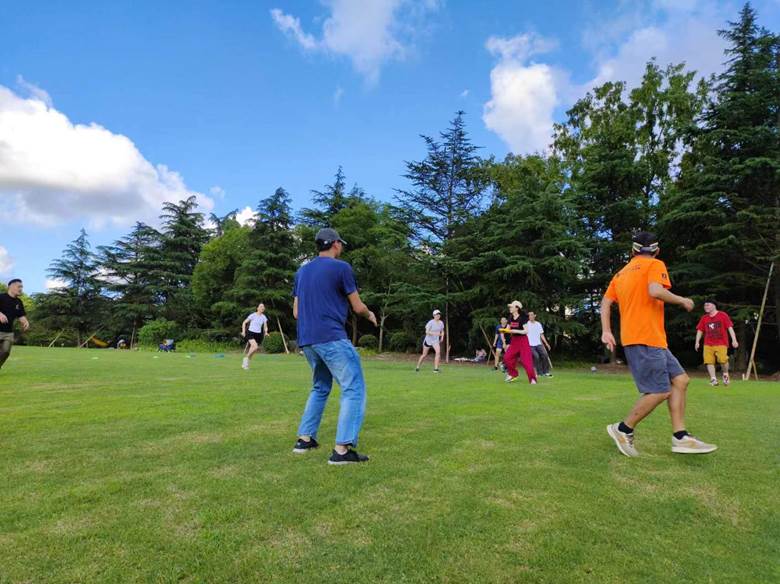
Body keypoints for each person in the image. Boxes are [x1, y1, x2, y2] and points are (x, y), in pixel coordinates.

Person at [601, 232, 717, 457]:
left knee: (681, 380)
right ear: (656, 250)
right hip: (644, 338)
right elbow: (655, 290)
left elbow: (606, 303)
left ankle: (681, 437)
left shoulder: (620, 273)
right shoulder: (655, 264)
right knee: (659, 390)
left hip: (651, 339)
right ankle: (623, 429)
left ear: (633, 251)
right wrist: (683, 300)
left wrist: (606, 330)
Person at [291, 228, 377, 465]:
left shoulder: (301, 272)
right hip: (331, 337)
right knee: (353, 387)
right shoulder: (341, 268)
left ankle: (305, 439)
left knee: (320, 387)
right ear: (336, 244)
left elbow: (296, 312)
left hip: (307, 340)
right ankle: (342, 450)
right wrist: (369, 314)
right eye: (341, 244)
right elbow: (358, 307)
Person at [695, 300, 738, 387]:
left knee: (723, 360)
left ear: (714, 306)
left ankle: (725, 374)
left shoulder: (723, 315)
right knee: (708, 361)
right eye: (705, 306)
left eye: (708, 305)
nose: (706, 307)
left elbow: (730, 328)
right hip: (708, 343)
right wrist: (697, 342)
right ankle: (713, 379)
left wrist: (734, 340)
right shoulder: (704, 318)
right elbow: (700, 330)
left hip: (721, 343)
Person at [502, 300, 537, 384]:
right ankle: (513, 374)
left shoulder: (523, 318)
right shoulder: (510, 317)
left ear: (517, 308)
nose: (510, 308)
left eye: (511, 307)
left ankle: (532, 379)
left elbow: (526, 331)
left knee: (526, 361)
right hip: (514, 341)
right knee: (507, 358)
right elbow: (508, 328)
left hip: (523, 341)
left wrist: (514, 331)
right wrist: (504, 330)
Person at [0, 279, 30, 372]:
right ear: (11, 286)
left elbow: (21, 316)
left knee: (5, 352)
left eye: (22, 287)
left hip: (8, 332)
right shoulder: (1, 297)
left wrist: (25, 322)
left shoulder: (18, 302)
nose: (21, 289)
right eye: (19, 286)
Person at [241, 303, 270, 370]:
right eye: (261, 306)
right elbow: (244, 322)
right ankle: (245, 359)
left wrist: (266, 332)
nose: (263, 308)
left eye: (263, 306)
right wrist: (243, 331)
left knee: (253, 349)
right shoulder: (253, 315)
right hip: (250, 332)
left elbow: (265, 326)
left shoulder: (264, 317)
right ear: (257, 308)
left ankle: (246, 364)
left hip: (258, 334)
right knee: (255, 347)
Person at [527, 311, 552, 377]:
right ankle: (539, 373)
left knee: (545, 355)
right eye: (529, 315)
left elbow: (541, 335)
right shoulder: (526, 324)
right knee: (536, 356)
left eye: (532, 315)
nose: (530, 316)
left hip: (538, 344)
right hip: (530, 345)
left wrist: (546, 344)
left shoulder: (538, 324)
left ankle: (546, 372)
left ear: (535, 315)